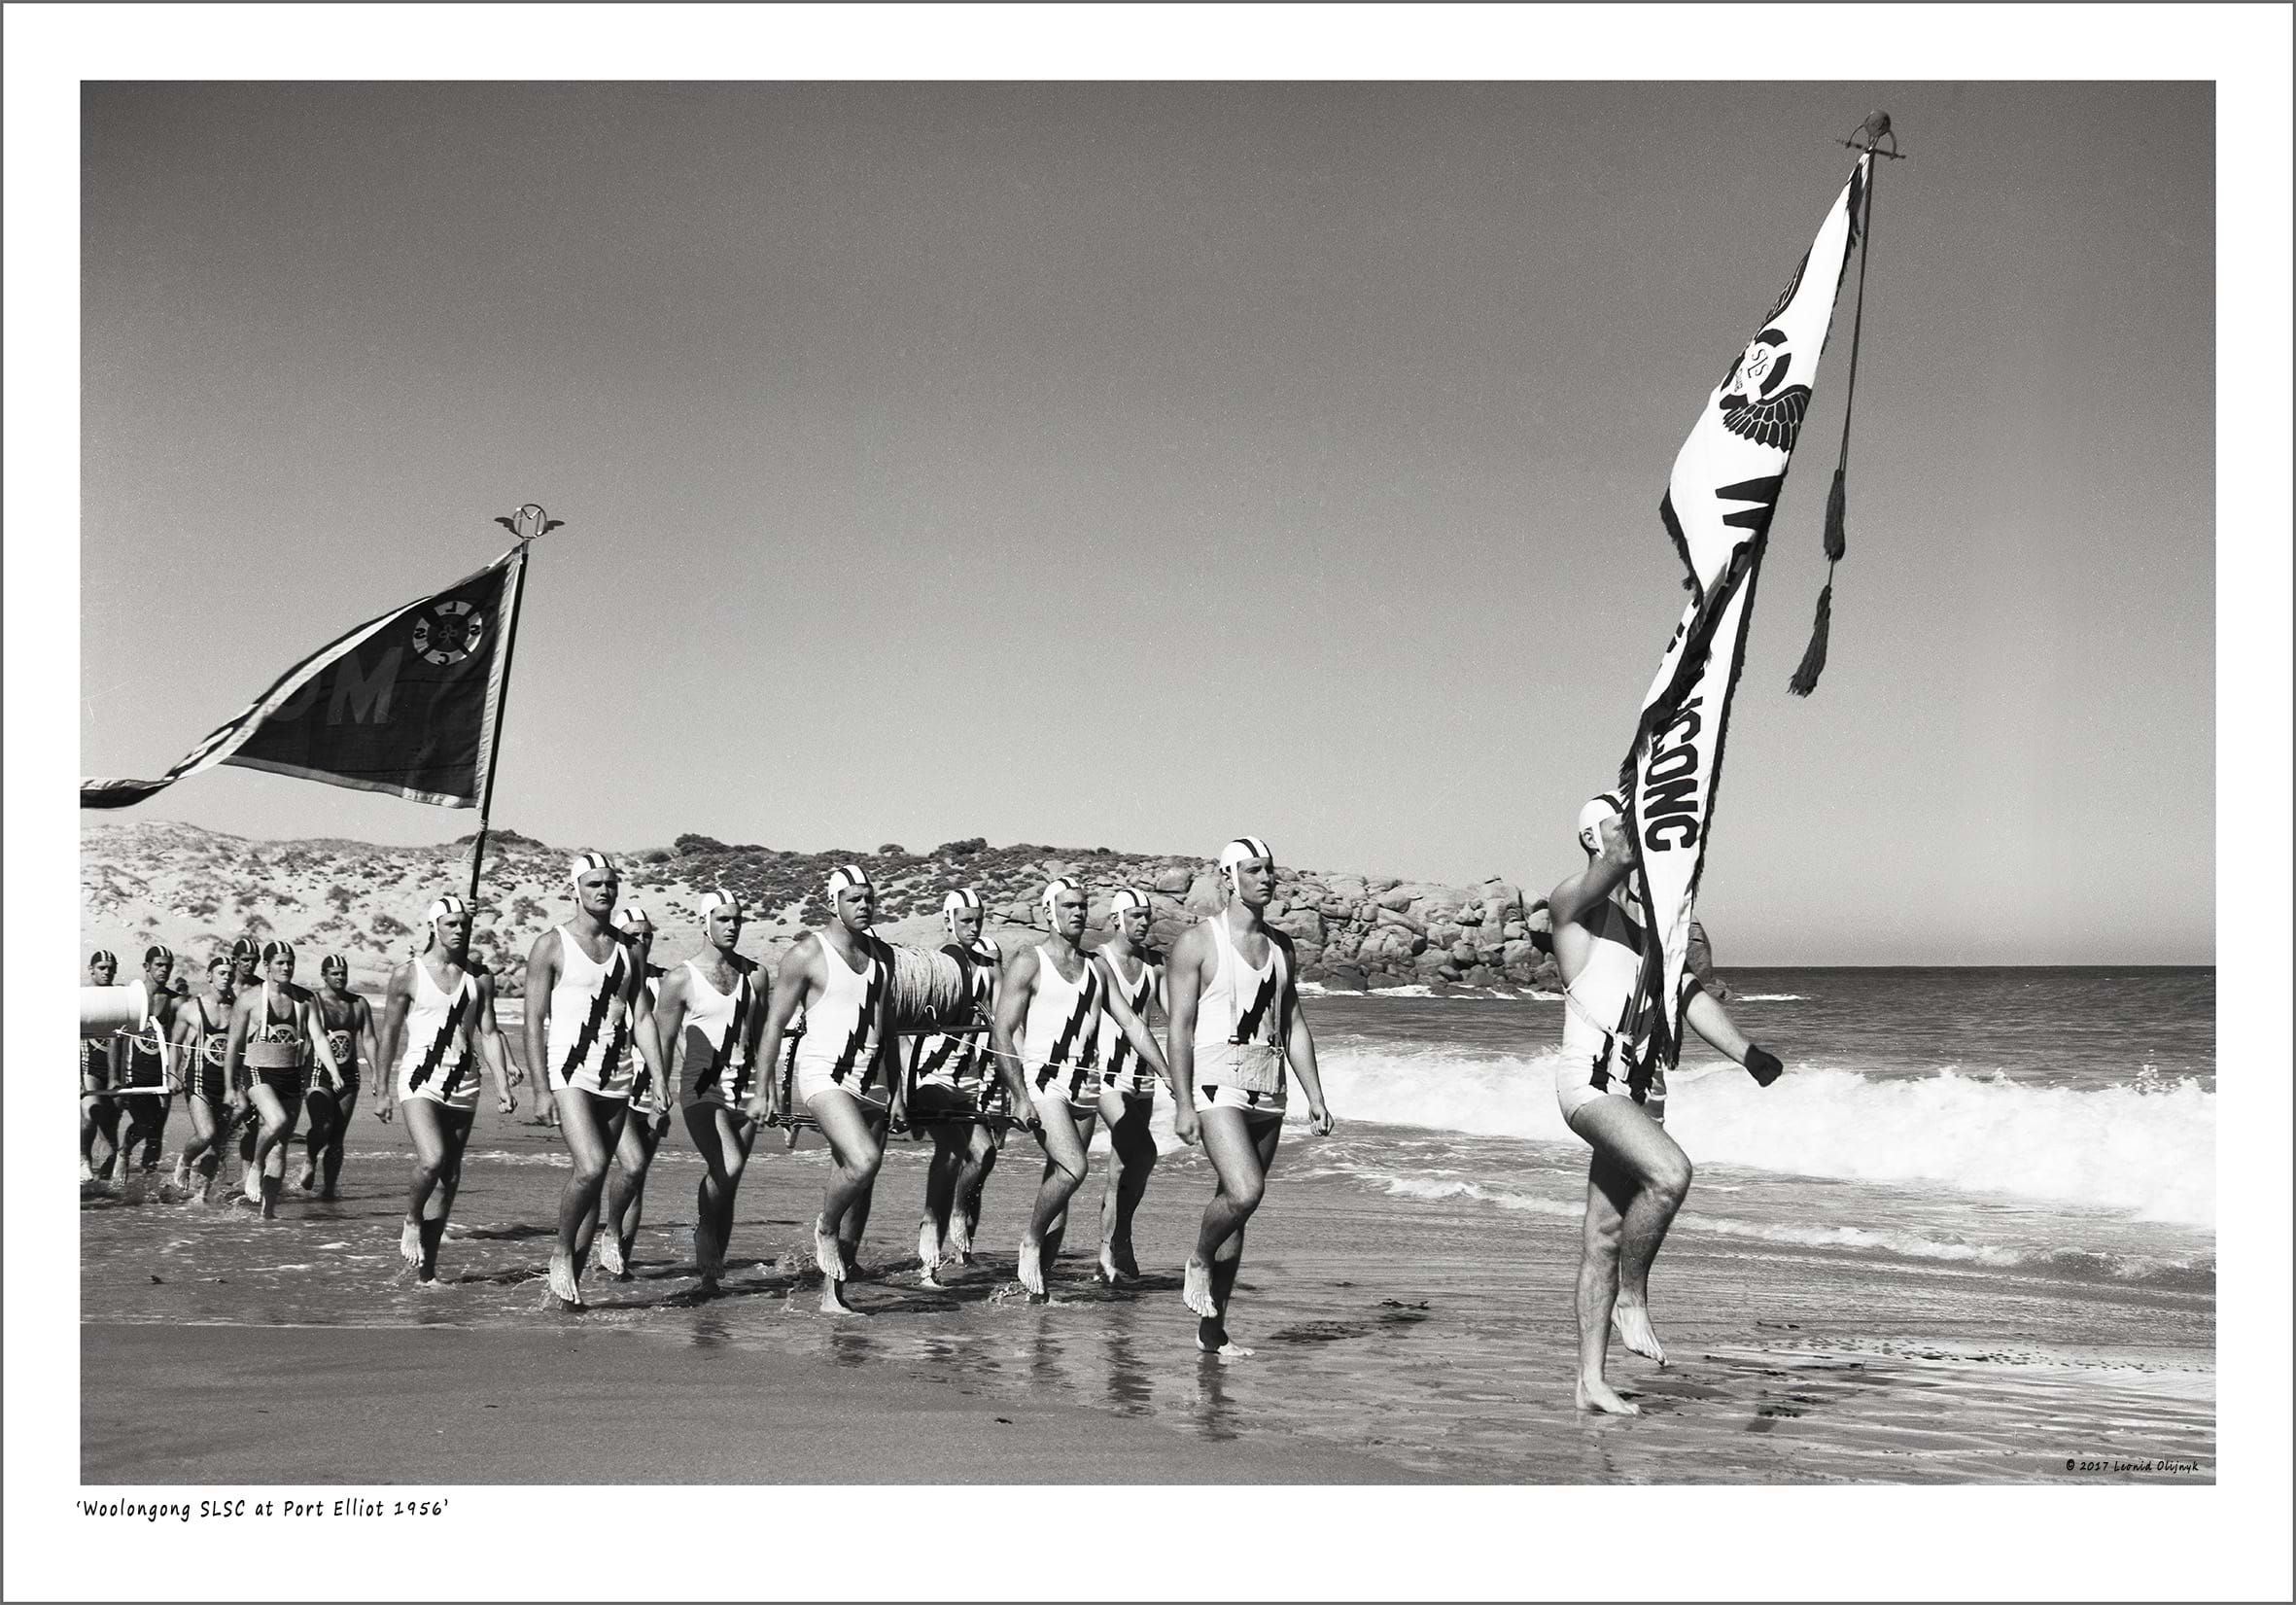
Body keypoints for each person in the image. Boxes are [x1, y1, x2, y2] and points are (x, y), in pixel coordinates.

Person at [1548, 792, 1786, 1415]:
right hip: (1590, 1086)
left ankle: (1590, 1383)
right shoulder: (1574, 911)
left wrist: (1747, 1053)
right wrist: (1641, 815)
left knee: (1603, 1235)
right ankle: (1632, 1296)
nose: (1633, 831)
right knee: (1671, 1173)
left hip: (1639, 1094)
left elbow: (1690, 999)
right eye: (1619, 823)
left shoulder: (1660, 940)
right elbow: (1619, 858)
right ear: (1591, 837)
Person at [1167, 838, 1336, 1356]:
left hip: (1269, 1083)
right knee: (1244, 1191)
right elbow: (1179, 1028)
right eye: (1254, 870)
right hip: (1216, 1080)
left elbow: (1293, 1022)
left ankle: (1213, 1331)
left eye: (1270, 870)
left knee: (1238, 1210)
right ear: (1228, 878)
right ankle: (1199, 1257)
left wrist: (1315, 1095)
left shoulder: (1283, 947)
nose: (1267, 879)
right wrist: (1183, 1102)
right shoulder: (1197, 943)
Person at [990, 877, 1169, 1303]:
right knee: (1073, 1167)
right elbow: (1003, 1031)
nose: (1077, 912)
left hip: (1085, 1087)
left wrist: (1166, 1072)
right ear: (1049, 911)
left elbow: (1132, 1023)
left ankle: (1039, 1286)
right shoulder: (1029, 962)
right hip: (1043, 1084)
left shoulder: (1096, 967)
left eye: (1082, 906)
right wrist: (1018, 1094)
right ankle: (1031, 1241)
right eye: (1069, 905)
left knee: (1061, 1182)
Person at [746, 864, 899, 1315]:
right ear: (833, 903)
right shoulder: (807, 954)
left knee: (859, 1184)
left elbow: (889, 1028)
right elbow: (774, 1024)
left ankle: (834, 1295)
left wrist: (900, 1091)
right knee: (863, 1160)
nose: (865, 906)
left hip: (873, 1081)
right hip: (824, 1076)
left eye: (869, 898)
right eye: (854, 898)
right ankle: (825, 1227)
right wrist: (764, 1088)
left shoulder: (883, 955)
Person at [524, 853, 662, 1307]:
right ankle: (562, 1252)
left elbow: (642, 1016)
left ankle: (574, 1290)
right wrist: (540, 1090)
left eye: (610, 883)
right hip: (570, 1073)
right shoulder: (552, 944)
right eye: (594, 884)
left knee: (625, 1168)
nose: (603, 890)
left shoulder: (629, 949)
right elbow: (533, 1021)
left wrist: (660, 1079)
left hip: (616, 1073)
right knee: (590, 1167)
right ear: (576, 890)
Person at [375, 895, 517, 1283]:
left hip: (464, 1083)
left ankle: (427, 1274)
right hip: (420, 1080)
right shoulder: (408, 974)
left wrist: (502, 1084)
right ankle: (411, 1218)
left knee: (449, 1179)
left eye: (463, 924)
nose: (458, 930)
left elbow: (489, 1032)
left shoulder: (480, 977)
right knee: (432, 1159)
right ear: (433, 927)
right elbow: (389, 1032)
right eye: (450, 924)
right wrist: (381, 1087)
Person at [657, 891, 765, 1293]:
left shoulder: (756, 975)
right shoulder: (681, 979)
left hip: (747, 1088)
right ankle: (703, 1231)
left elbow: (764, 1038)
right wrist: (656, 1089)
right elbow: (664, 1040)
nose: (732, 926)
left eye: (737, 919)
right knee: (728, 1165)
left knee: (729, 1184)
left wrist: (770, 1090)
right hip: (703, 1087)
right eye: (723, 919)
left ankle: (710, 1281)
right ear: (704, 923)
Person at [908, 888, 1004, 1284]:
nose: (973, 926)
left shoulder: (989, 966)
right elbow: (909, 1025)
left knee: (984, 1155)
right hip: (931, 1077)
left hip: (970, 1080)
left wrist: (1005, 1086)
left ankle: (961, 1231)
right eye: (965, 920)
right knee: (955, 1152)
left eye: (978, 920)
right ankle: (929, 1253)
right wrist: (901, 1090)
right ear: (948, 921)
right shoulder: (936, 965)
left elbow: (1003, 1025)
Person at [223, 941, 343, 1218]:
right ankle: (256, 1165)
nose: (286, 967)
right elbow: (233, 1044)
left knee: (280, 1147)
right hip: (258, 1071)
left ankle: (268, 1214)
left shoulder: (305, 999)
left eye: (290, 962)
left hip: (291, 1075)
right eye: (280, 963)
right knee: (277, 1121)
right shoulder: (250, 999)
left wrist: (334, 1071)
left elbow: (319, 1037)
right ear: (267, 966)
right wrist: (230, 1086)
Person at [1092, 886, 1166, 1286]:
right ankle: (1113, 1244)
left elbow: (1178, 1011)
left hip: (1143, 1078)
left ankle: (1117, 1243)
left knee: (1126, 1166)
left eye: (1147, 915)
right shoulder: (1099, 961)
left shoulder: (1155, 964)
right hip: (1107, 1075)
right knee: (1143, 1152)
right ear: (1116, 919)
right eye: (1136, 915)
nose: (1144, 922)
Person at [596, 905, 670, 1280]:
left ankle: (619, 1261)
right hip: (612, 1086)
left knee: (637, 1179)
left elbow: (676, 1038)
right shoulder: (607, 975)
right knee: (608, 1168)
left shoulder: (665, 982)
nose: (642, 941)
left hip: (649, 1089)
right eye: (633, 935)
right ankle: (595, 1242)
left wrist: (667, 1087)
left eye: (647, 935)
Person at [301, 954, 377, 1201]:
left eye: (343, 973)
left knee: (337, 1137)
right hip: (317, 1072)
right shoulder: (313, 1002)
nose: (340, 978)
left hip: (349, 1074)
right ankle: (310, 1157)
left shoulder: (359, 1004)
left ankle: (329, 1189)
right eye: (334, 973)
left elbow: (369, 1039)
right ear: (323, 976)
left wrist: (376, 1073)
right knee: (322, 1126)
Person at [166, 952, 238, 1202]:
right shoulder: (190, 1008)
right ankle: (186, 1160)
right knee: (206, 1133)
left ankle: (201, 1196)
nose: (226, 978)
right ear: (209, 976)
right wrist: (173, 1074)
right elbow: (175, 1044)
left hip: (227, 1083)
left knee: (218, 1144)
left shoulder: (238, 1009)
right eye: (221, 973)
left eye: (230, 975)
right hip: (198, 1079)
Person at [113, 946, 181, 1200]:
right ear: (146, 966)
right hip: (134, 1072)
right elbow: (115, 1039)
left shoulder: (174, 1000)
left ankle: (148, 1181)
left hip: (160, 1072)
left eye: (168, 966)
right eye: (159, 965)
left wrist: (174, 1073)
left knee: (157, 1130)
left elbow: (177, 1041)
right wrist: (115, 1077)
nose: (164, 970)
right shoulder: (132, 997)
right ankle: (124, 1152)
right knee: (144, 1122)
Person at [81, 950, 123, 1185]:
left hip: (113, 1072)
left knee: (110, 1129)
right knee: (91, 1114)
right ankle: (82, 1159)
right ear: (91, 969)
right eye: (102, 968)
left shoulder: (119, 997)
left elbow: (119, 1037)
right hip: (87, 1068)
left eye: (111, 968)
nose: (107, 972)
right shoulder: (81, 997)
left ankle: (104, 1185)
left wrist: (116, 1077)